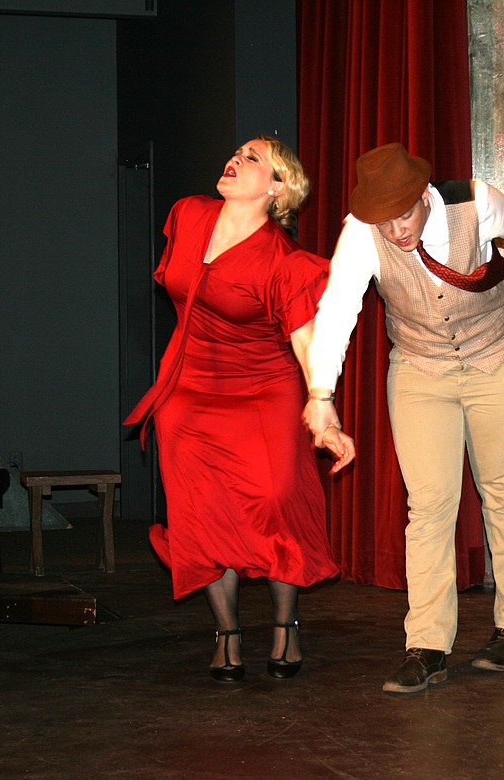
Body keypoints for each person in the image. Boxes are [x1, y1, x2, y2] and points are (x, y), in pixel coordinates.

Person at [303, 143, 504, 694]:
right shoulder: (361, 232)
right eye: (384, 219)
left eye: (404, 214)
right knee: (428, 506)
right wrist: (321, 393)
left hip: (497, 358)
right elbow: (337, 310)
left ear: (424, 196)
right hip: (422, 371)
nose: (396, 231)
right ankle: (426, 645)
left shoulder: (478, 203)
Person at [124, 136, 354, 684]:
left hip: (262, 387)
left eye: (254, 159)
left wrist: (325, 409)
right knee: (200, 508)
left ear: (278, 189)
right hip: (189, 386)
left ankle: (285, 623)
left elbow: (305, 342)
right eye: (238, 152)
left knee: (276, 498)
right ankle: (227, 632)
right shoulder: (188, 215)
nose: (236, 160)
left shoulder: (285, 261)